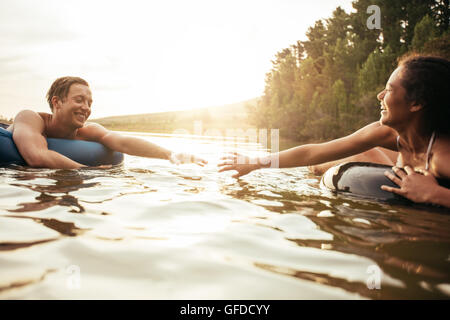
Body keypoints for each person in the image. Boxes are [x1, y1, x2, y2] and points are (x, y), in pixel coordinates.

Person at [218, 54, 450, 208]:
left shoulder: (443, 157)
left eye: (389, 90)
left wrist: (435, 194)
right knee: (327, 163)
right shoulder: (386, 134)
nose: (380, 96)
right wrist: (254, 162)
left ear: (416, 103)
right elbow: (313, 152)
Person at [6, 76, 207, 169]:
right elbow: (36, 157)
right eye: (79, 100)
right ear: (57, 103)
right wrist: (88, 171)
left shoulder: (88, 131)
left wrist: (170, 154)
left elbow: (122, 142)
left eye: (89, 102)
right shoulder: (30, 118)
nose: (86, 108)